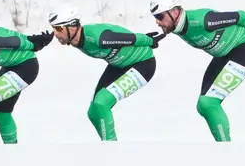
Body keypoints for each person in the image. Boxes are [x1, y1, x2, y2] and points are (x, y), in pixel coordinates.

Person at [150, 0, 245, 142]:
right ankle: (223, 146)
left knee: (208, 103)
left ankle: (226, 149)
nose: (157, 22)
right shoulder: (176, 26)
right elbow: (158, 35)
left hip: (244, 50)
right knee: (203, 106)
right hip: (223, 55)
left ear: (175, 12)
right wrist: (146, 42)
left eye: (159, 16)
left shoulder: (204, 20)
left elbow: (240, 16)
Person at [49, 7, 162, 141]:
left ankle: (110, 148)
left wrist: (149, 40)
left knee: (101, 103)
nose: (55, 33)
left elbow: (130, 38)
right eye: (53, 28)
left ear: (72, 27)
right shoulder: (75, 39)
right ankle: (107, 143)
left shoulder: (99, 38)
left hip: (143, 64)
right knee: (93, 112)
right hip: (118, 65)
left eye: (58, 28)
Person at [0, 25, 53, 143]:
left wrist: (33, 43)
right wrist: (29, 38)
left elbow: (11, 41)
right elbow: (0, 31)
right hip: (10, 67)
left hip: (25, 67)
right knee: (1, 114)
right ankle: (12, 152)